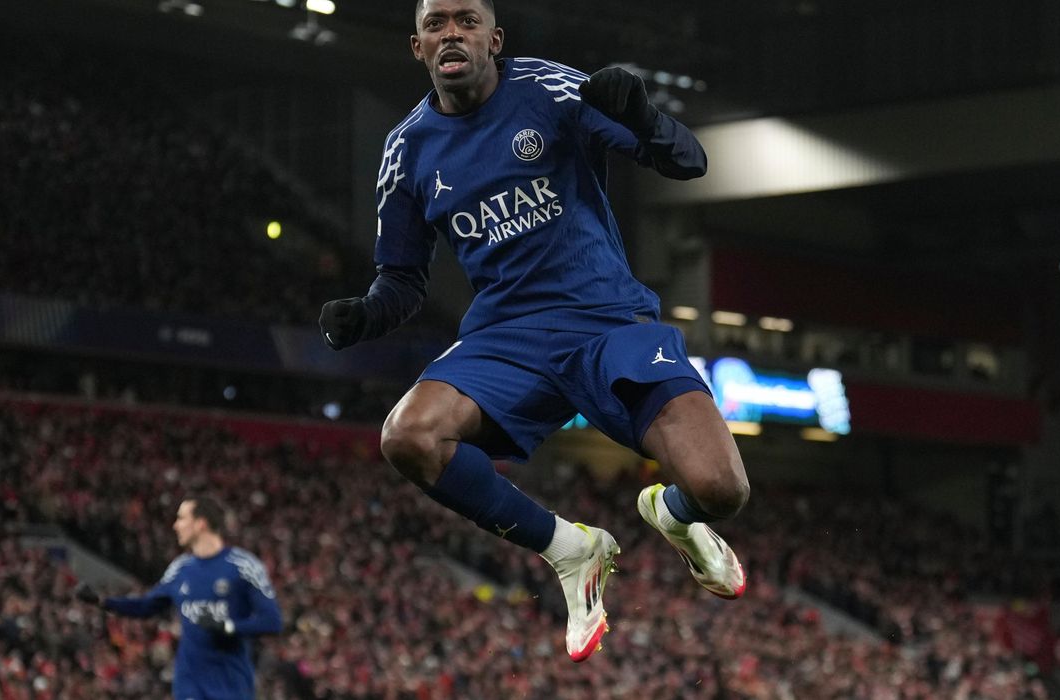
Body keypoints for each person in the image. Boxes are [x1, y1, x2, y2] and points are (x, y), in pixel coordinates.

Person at [319, 0, 750, 662]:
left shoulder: (551, 90)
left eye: (467, 21)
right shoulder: (406, 149)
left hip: (607, 319)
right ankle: (569, 549)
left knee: (722, 490)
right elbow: (402, 279)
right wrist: (367, 314)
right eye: (436, 24)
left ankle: (673, 515)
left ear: (495, 38)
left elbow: (688, 162)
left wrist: (643, 116)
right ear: (417, 46)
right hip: (507, 335)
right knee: (407, 435)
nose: (452, 33)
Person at [75, 497, 282, 699]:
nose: (175, 525)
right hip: (189, 683)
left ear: (201, 524)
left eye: (182, 518)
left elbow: (272, 622)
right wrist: (103, 601)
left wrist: (228, 627)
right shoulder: (180, 568)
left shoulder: (243, 566)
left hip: (231, 684)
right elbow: (147, 606)